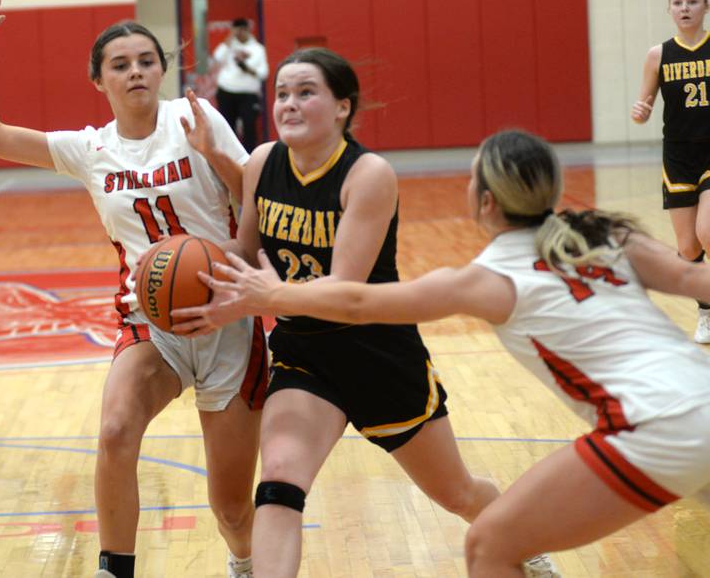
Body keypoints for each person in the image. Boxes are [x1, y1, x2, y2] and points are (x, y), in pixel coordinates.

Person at [205, 129, 710, 577]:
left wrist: (272, 297)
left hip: (648, 424)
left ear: (485, 203)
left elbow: (358, 301)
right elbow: (694, 277)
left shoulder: (488, 280)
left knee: (487, 542)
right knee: (286, 482)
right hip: (701, 396)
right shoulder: (607, 232)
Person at [172, 49, 559, 577]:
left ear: (341, 107)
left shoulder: (368, 174)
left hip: (377, 351)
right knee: (279, 483)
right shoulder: (262, 162)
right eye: (282, 92)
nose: (288, 102)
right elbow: (245, 251)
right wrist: (196, 275)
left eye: (305, 92)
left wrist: (264, 298)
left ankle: (519, 539)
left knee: (457, 493)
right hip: (305, 354)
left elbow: (346, 289)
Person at [0, 0, 268, 578]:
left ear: (162, 70)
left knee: (230, 505)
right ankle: (113, 569)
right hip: (151, 321)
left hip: (229, 316)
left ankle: (247, 564)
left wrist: (217, 158)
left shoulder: (195, 119)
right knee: (116, 430)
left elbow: (256, 194)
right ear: (98, 80)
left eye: (146, 61)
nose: (136, 72)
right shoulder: (90, 148)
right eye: (120, 65)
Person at [631, 0, 710, 343]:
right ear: (669, 10)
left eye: (693, 1)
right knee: (688, 248)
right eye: (678, 2)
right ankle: (706, 312)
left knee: (706, 232)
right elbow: (643, 107)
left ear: (705, 7)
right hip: (678, 155)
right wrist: (640, 110)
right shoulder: (658, 55)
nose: (685, 8)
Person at [212, 18, 269, 152]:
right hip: (226, 91)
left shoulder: (258, 49)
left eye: (243, 29)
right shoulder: (228, 46)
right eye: (237, 30)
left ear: (248, 30)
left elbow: (264, 73)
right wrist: (230, 38)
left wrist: (247, 69)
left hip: (248, 94)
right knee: (227, 126)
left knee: (249, 127)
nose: (240, 33)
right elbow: (217, 57)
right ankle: (228, 156)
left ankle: (251, 157)